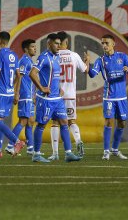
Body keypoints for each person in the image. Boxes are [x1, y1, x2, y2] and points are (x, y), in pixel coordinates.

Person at [29, 33, 81, 163]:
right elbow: (32, 73)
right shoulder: (43, 58)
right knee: (41, 125)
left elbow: (54, 75)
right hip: (46, 100)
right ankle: (36, 154)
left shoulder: (57, 57)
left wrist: (58, 88)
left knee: (64, 122)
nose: (59, 46)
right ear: (49, 43)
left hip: (57, 99)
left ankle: (68, 153)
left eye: (59, 43)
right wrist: (41, 88)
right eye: (56, 43)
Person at [89, 34, 128, 161]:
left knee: (122, 123)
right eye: (102, 43)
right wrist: (87, 65)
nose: (104, 45)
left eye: (106, 43)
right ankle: (106, 151)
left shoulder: (123, 57)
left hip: (122, 97)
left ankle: (115, 149)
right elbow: (92, 74)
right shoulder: (100, 60)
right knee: (109, 121)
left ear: (113, 44)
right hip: (109, 97)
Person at [48, 31, 90, 160]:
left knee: (55, 122)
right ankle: (78, 141)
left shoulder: (53, 56)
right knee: (71, 121)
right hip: (70, 94)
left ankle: (55, 154)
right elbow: (86, 70)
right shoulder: (74, 55)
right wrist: (87, 61)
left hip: (56, 94)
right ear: (67, 42)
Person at [4, 39, 37, 156]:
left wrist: (33, 94)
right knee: (23, 121)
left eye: (35, 46)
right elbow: (19, 77)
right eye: (32, 47)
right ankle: (9, 146)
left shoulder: (29, 61)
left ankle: (31, 149)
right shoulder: (24, 61)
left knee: (30, 121)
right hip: (24, 95)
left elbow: (29, 80)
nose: (35, 48)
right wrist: (17, 93)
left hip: (29, 95)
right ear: (26, 49)